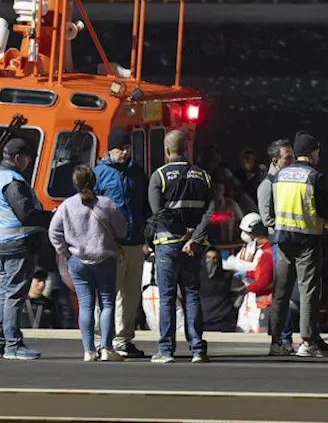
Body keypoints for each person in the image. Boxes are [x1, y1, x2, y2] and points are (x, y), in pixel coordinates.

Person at [148, 129, 217, 363]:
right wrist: (194, 238)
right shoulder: (203, 176)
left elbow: (159, 213)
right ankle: (198, 349)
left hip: (167, 244)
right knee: (192, 294)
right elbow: (210, 212)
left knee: (167, 297)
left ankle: (166, 351)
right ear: (186, 149)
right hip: (193, 248)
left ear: (167, 151)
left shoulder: (158, 176)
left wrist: (180, 235)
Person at [49, 164, 128, 362]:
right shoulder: (107, 204)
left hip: (78, 261)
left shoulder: (66, 206)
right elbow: (122, 230)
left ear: (75, 183)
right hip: (105, 259)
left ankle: (88, 350)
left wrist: (66, 253)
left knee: (86, 306)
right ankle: (107, 349)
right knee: (107, 304)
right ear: (94, 182)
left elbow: (53, 232)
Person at [269, 131, 328, 358]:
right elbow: (325, 212)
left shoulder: (279, 175)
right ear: (312, 152)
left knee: (280, 291)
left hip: (283, 239)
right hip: (308, 240)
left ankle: (277, 342)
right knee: (308, 291)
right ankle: (307, 342)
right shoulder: (315, 177)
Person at [0, 138, 51, 360]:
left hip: (1, 244)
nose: (28, 162)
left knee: (4, 292)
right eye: (27, 158)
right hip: (17, 244)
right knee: (14, 294)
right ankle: (13, 344)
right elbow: (26, 215)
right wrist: (51, 217)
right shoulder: (13, 181)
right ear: (17, 158)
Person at [94, 126, 150, 359]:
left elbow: (146, 207)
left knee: (130, 294)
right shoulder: (99, 174)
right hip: (110, 245)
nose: (125, 152)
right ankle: (100, 340)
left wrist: (148, 237)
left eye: (127, 148)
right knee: (107, 295)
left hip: (135, 242)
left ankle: (123, 340)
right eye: (120, 148)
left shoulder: (137, 173)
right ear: (110, 149)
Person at [258, 137, 299, 352]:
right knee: (281, 293)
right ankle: (281, 338)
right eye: (288, 158)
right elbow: (267, 219)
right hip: (279, 243)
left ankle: (286, 337)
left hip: (290, 240)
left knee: (290, 292)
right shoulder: (268, 185)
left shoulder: (289, 182)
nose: (292, 162)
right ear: (276, 161)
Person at [227, 213, 274, 333]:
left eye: (247, 232)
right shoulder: (248, 247)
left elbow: (259, 272)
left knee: (257, 330)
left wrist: (245, 273)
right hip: (247, 295)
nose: (244, 235)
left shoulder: (267, 251)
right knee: (242, 328)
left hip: (259, 296)